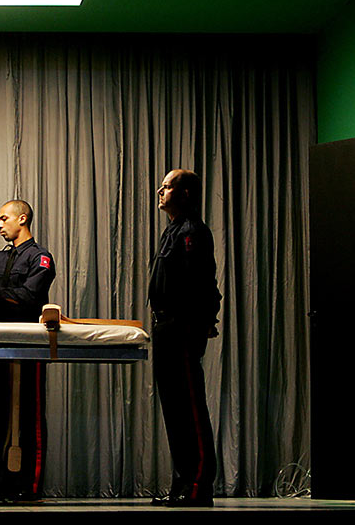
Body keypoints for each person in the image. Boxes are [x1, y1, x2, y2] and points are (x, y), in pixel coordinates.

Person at [147, 169, 221, 508]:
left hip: (182, 328)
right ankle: (182, 482)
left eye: (167, 186)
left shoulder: (192, 231)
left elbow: (201, 282)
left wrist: (204, 321)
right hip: (165, 326)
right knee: (174, 410)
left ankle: (199, 484)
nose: (160, 191)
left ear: (186, 193)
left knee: (189, 407)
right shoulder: (173, 230)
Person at [0, 200, 55, 501]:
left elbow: (28, 297)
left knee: (29, 414)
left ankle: (31, 486)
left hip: (30, 342)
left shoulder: (40, 257)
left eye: (3, 219)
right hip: (1, 341)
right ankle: (2, 483)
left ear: (22, 219)